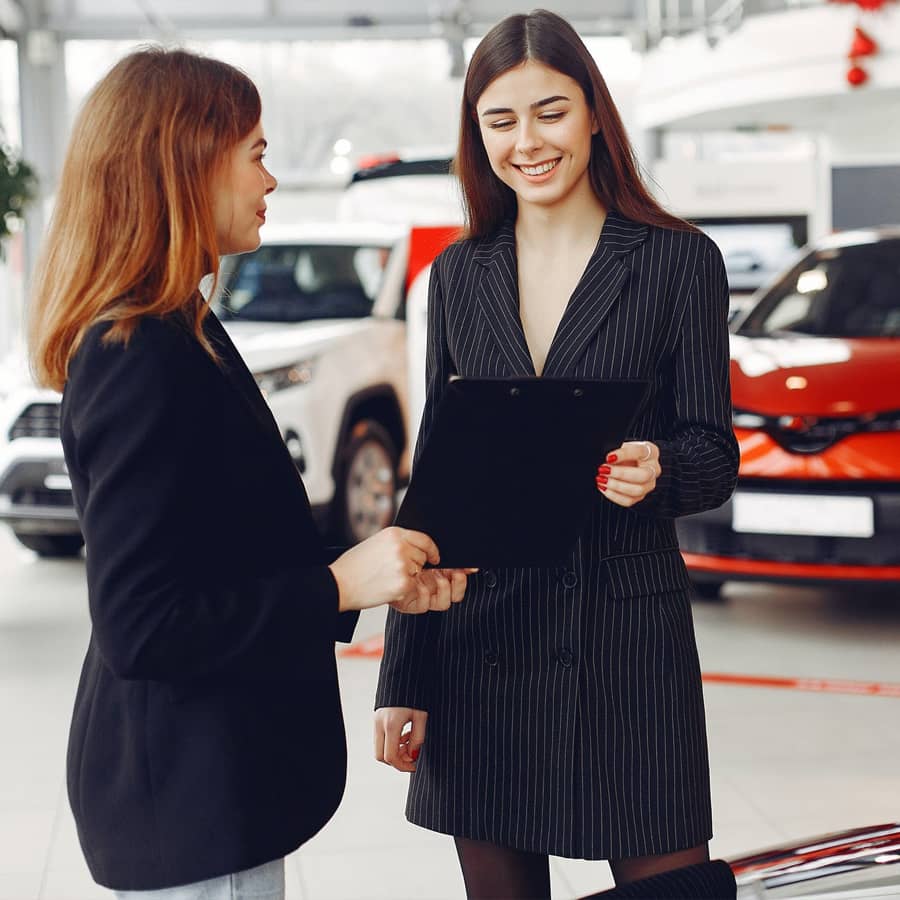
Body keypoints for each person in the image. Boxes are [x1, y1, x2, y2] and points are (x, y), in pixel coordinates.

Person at [28, 47, 473, 899]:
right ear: (185, 161)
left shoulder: (181, 325)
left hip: (209, 787)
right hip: (189, 807)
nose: (271, 180)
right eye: (257, 152)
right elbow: (143, 625)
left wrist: (373, 577)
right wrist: (338, 585)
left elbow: (218, 547)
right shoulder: (138, 353)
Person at [374, 9, 740, 899]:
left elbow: (713, 451)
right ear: (477, 134)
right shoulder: (460, 275)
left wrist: (661, 469)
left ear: (594, 116)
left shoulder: (677, 261)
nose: (527, 142)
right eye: (500, 120)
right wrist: (402, 677)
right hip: (482, 638)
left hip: (627, 641)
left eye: (551, 112)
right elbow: (438, 485)